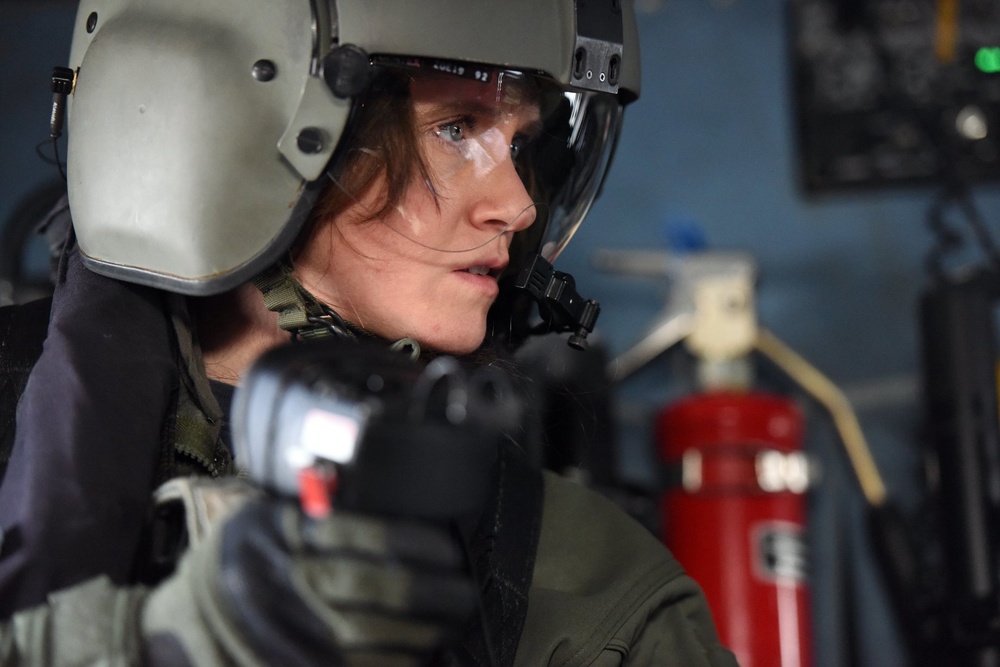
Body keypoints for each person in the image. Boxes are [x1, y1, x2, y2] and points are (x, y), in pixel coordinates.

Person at [0, 0, 738, 664]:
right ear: (216, 123)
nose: (516, 205)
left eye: (519, 142)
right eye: (455, 128)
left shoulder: (600, 591)